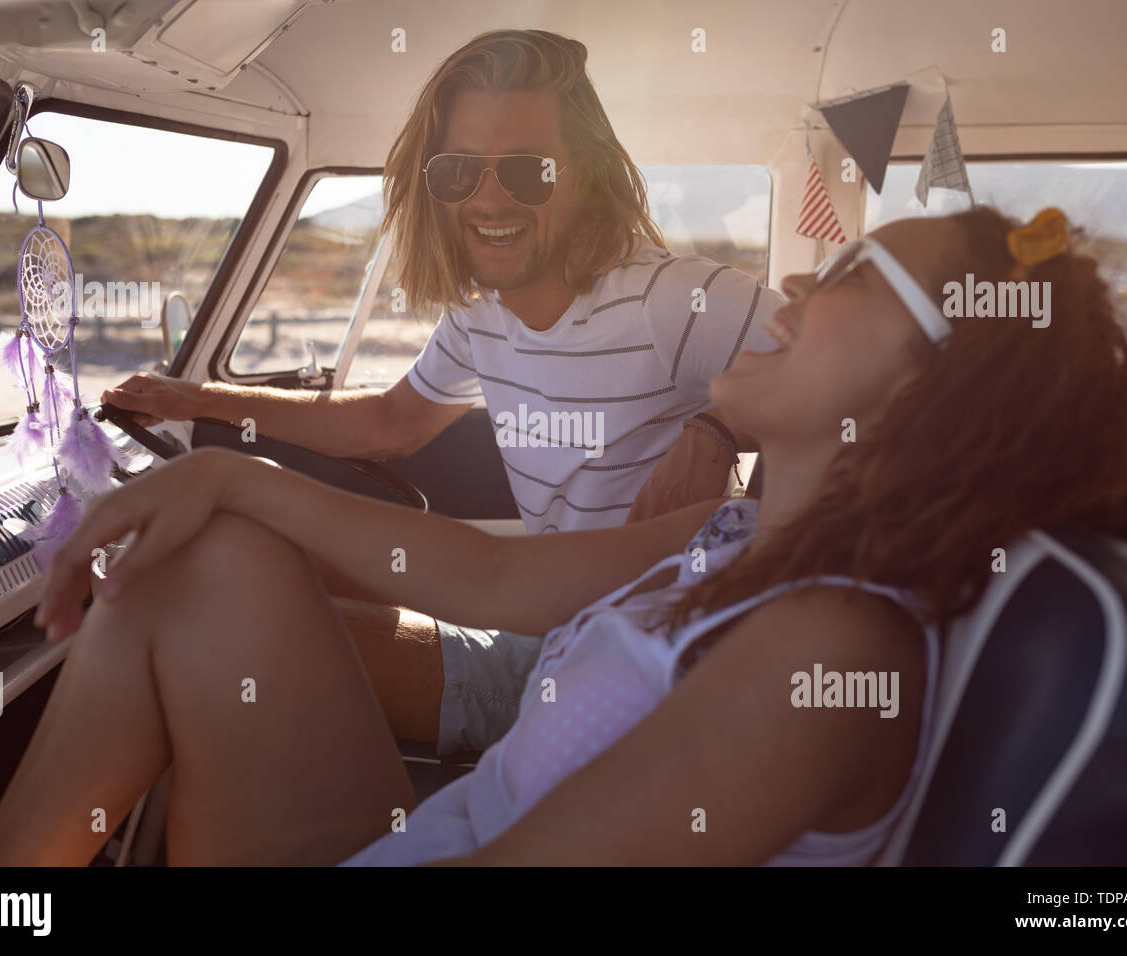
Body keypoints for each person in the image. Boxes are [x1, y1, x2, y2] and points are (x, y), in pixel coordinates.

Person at [0, 206, 1127, 865]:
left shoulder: (824, 649)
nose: (801, 286)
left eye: (855, 269)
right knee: (203, 560)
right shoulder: (739, 528)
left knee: (192, 573)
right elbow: (492, 574)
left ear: (931, 382)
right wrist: (227, 475)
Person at [100, 29, 784, 758]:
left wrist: (716, 427)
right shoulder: (479, 312)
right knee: (248, 564)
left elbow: (887, 373)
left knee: (225, 634)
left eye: (527, 170)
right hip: (542, 628)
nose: (489, 197)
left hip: (622, 662)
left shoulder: (674, 298)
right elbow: (392, 423)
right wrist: (195, 400)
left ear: (581, 175)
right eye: (460, 171)